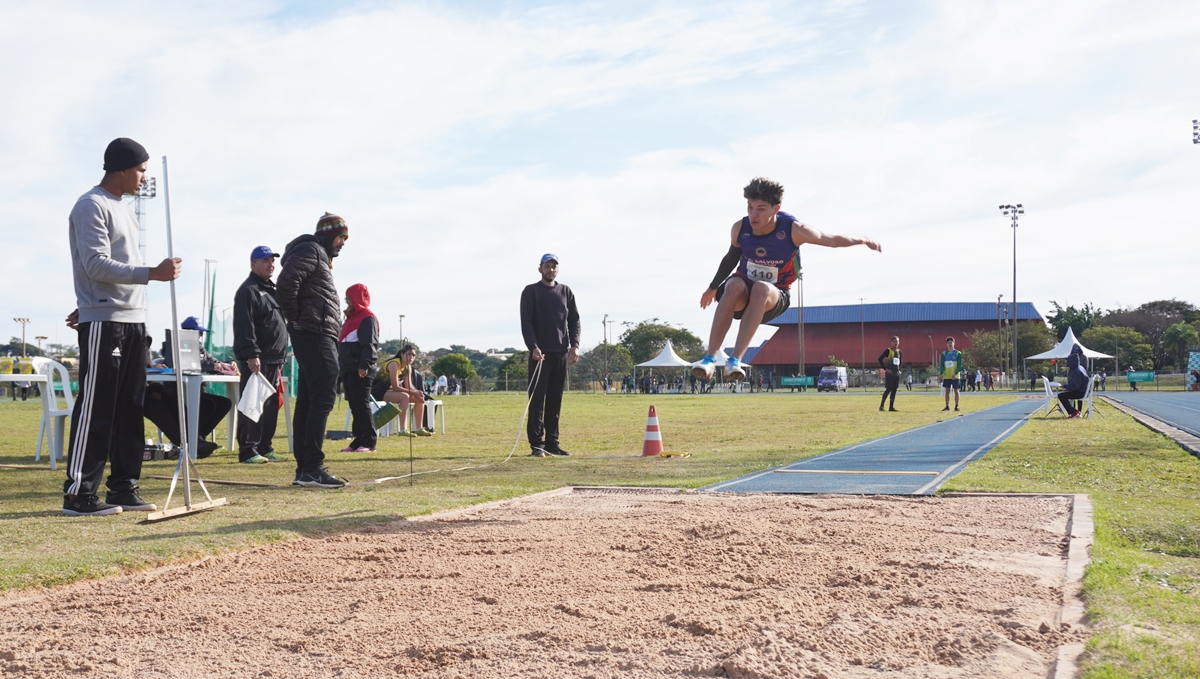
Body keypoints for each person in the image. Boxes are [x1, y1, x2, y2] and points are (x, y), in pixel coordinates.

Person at [63, 137, 182, 516]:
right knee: (97, 405)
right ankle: (79, 493)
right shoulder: (90, 205)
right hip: (106, 321)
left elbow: (107, 269)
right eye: (141, 170)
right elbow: (95, 264)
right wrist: (153, 274)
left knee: (131, 406)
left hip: (133, 321)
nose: (144, 178)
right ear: (121, 168)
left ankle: (123, 488)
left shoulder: (124, 209)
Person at [692, 178, 881, 381]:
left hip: (774, 294)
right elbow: (731, 258)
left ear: (776, 208)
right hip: (742, 292)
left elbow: (832, 240)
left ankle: (734, 361)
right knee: (734, 284)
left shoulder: (794, 230)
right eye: (750, 207)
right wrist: (712, 288)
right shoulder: (740, 228)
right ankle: (709, 359)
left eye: (761, 209)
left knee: (761, 288)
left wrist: (863, 239)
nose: (753, 214)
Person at [277, 212, 350, 489]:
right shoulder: (311, 250)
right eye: (341, 237)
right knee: (321, 399)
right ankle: (313, 467)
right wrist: (296, 316)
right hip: (313, 332)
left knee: (309, 401)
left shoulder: (317, 254)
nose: (343, 242)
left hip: (315, 332)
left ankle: (306, 469)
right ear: (329, 235)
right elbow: (285, 283)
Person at [520, 253, 580, 457]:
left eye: (554, 266)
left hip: (560, 354)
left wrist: (575, 345)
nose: (551, 269)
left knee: (555, 400)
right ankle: (537, 445)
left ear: (557, 269)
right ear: (540, 269)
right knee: (537, 401)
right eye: (547, 266)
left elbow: (574, 321)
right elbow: (526, 323)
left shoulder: (566, 292)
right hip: (540, 355)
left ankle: (552, 443)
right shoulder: (531, 292)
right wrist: (533, 347)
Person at [232, 246, 288, 464]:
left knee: (271, 404)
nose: (270, 264)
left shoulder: (271, 290)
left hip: (274, 358)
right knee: (253, 404)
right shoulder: (249, 290)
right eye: (265, 260)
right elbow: (245, 326)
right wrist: (252, 354)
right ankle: (248, 450)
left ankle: (265, 447)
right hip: (258, 359)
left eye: (272, 260)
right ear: (253, 264)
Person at [144, 325, 231, 459]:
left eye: (201, 334)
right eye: (198, 333)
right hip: (160, 389)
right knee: (158, 405)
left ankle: (196, 440)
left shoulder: (199, 347)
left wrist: (228, 363)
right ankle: (188, 443)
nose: (199, 337)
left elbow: (211, 361)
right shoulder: (172, 345)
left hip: (157, 387)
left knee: (217, 404)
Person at [337, 283, 379, 453]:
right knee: (354, 405)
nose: (347, 302)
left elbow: (369, 344)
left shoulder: (368, 318)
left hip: (359, 368)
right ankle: (358, 439)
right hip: (348, 367)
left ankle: (369, 441)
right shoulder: (350, 318)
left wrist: (364, 365)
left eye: (349, 299)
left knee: (362, 405)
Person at [372, 344, 431, 436]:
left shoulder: (408, 368)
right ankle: (402, 430)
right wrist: (413, 392)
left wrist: (417, 392)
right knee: (404, 397)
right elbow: (395, 387)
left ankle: (419, 428)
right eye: (408, 354)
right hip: (377, 391)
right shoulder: (394, 364)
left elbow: (408, 386)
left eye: (413, 355)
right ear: (402, 354)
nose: (411, 357)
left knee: (418, 397)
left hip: (389, 391)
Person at [1058, 345, 1089, 418]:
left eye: (1068, 361)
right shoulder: (1080, 368)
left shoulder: (1076, 371)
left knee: (1061, 396)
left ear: (1072, 362)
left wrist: (1065, 386)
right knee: (1065, 395)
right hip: (1083, 390)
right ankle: (1074, 411)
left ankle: (1073, 412)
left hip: (1080, 392)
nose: (1067, 363)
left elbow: (1075, 386)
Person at [939, 336, 963, 412]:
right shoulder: (944, 354)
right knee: (947, 391)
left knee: (956, 390)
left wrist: (955, 374)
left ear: (954, 343)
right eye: (948, 343)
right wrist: (941, 373)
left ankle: (956, 406)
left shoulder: (958, 353)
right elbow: (942, 364)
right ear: (946, 344)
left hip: (955, 376)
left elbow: (959, 365)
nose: (950, 344)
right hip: (947, 375)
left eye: (951, 342)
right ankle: (947, 405)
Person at [878, 336, 902, 412]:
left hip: (896, 374)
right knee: (888, 389)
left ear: (899, 342)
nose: (896, 343)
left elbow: (900, 362)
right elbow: (880, 359)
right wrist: (885, 369)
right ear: (891, 342)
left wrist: (900, 370)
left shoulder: (899, 352)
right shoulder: (888, 351)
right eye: (894, 341)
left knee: (894, 390)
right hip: (890, 374)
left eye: (897, 341)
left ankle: (891, 407)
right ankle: (881, 406)